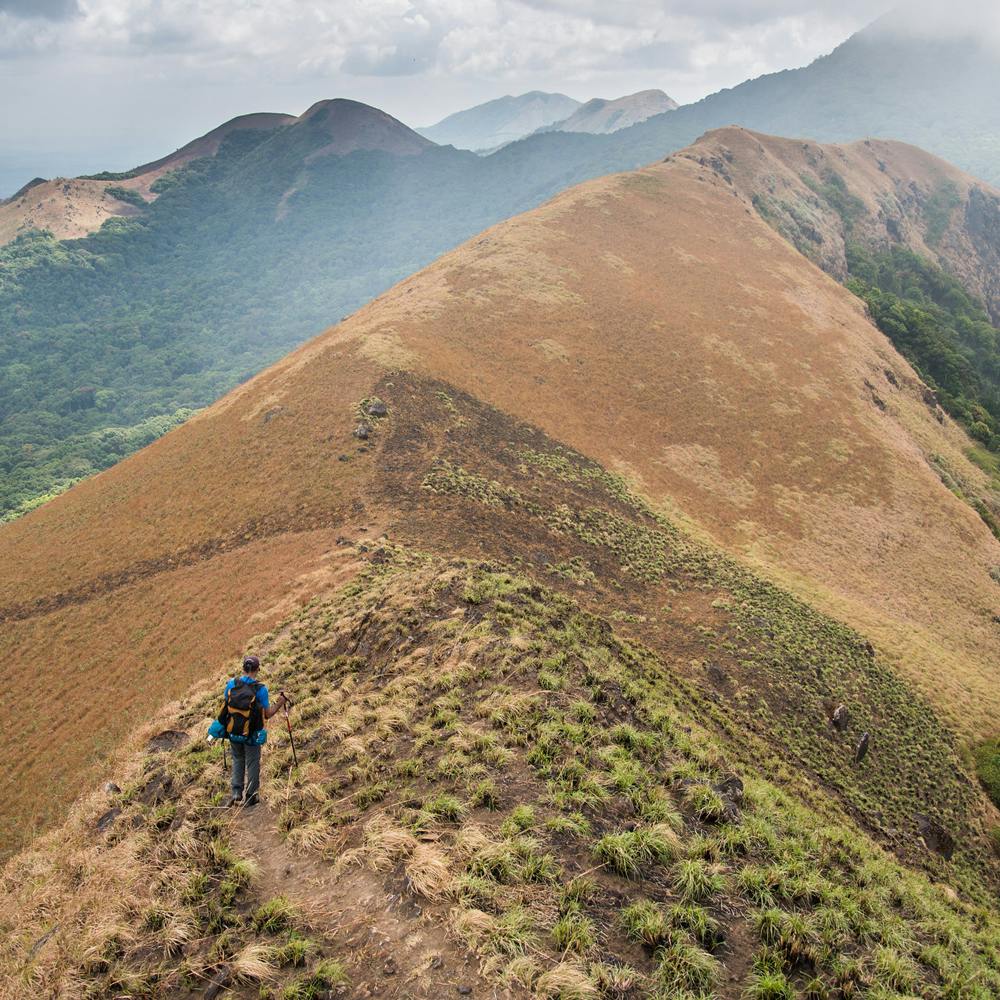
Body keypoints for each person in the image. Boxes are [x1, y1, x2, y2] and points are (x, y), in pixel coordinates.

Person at [221, 655, 288, 807]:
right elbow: (267, 714)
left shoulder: (231, 684)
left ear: (243, 668)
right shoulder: (260, 689)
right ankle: (251, 796)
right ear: (257, 669)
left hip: (233, 731)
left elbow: (226, 703)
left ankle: (236, 792)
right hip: (251, 734)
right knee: (252, 761)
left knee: (238, 758)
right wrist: (280, 702)